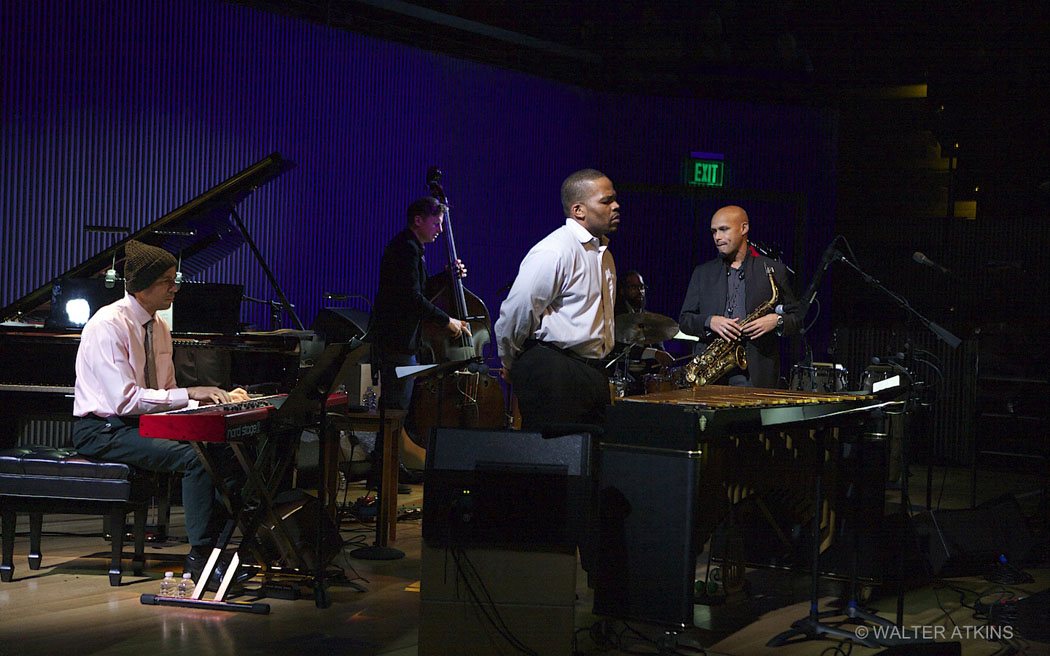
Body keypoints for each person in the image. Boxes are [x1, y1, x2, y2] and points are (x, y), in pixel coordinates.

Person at [72, 240, 250, 585]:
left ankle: (222, 550)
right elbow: (124, 401)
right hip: (104, 430)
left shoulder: (160, 327)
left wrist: (212, 401)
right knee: (196, 459)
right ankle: (200, 559)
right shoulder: (108, 325)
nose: (176, 288)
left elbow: (165, 395)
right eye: (167, 281)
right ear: (142, 286)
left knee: (224, 447)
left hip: (142, 424)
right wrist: (190, 393)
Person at [495, 168, 620, 431]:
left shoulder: (603, 254)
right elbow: (517, 311)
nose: (616, 206)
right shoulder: (555, 250)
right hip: (555, 371)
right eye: (606, 201)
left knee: (589, 460)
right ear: (579, 211)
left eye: (614, 199)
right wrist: (510, 362)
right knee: (554, 462)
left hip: (590, 372)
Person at [368, 197, 471, 489]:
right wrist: (446, 321)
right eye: (436, 223)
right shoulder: (406, 249)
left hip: (400, 343)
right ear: (418, 220)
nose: (440, 229)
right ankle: (382, 473)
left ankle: (389, 467)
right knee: (394, 411)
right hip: (396, 343)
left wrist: (447, 276)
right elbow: (412, 299)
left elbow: (418, 289)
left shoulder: (410, 248)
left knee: (396, 411)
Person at [678, 205, 800, 388]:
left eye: (723, 229)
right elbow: (684, 320)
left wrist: (777, 321)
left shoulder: (773, 270)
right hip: (711, 374)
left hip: (757, 375)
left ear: (744, 228)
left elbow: (798, 318)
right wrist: (710, 321)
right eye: (714, 232)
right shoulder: (703, 273)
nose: (717, 237)